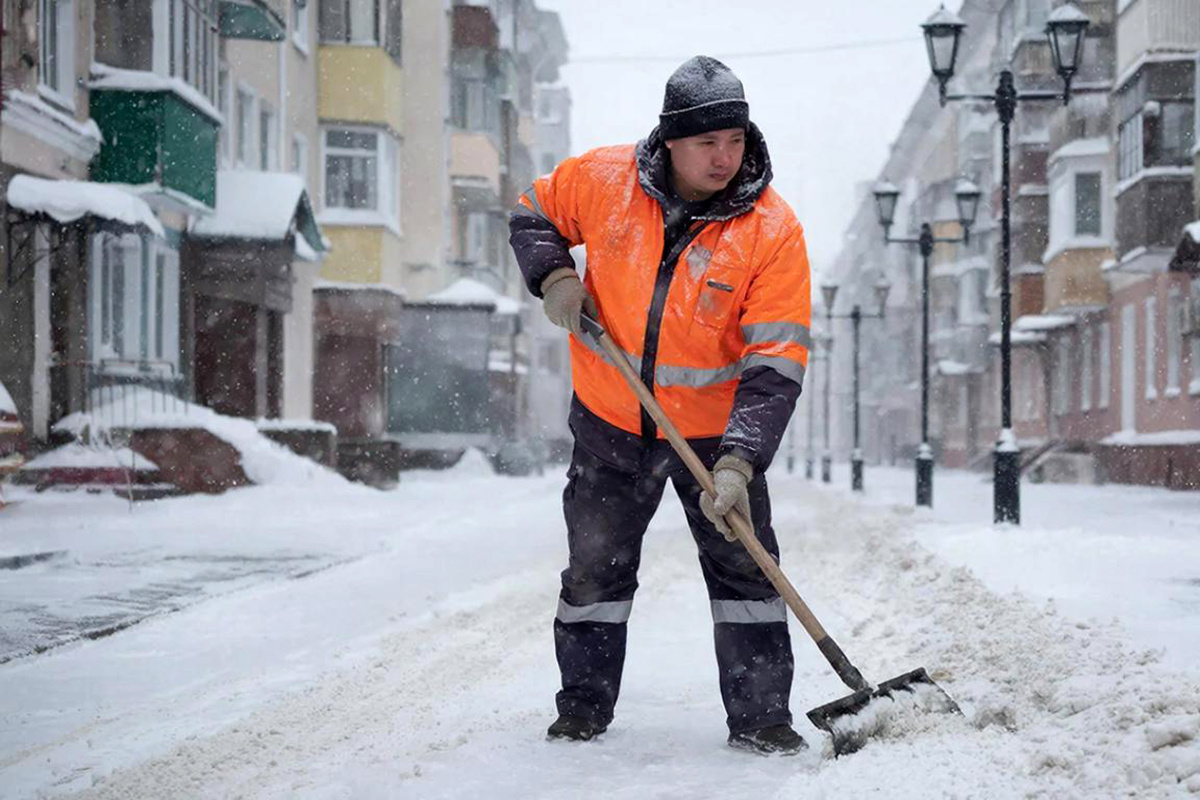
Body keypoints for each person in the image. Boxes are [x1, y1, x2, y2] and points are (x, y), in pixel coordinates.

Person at [508, 55, 812, 755]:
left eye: (735, 140)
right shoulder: (603, 181)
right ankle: (582, 707)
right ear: (670, 140)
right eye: (708, 143)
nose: (724, 158)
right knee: (595, 569)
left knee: (746, 571)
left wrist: (740, 459)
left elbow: (775, 361)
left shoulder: (771, 230)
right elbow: (533, 210)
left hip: (714, 437)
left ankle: (762, 717)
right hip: (611, 418)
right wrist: (554, 275)